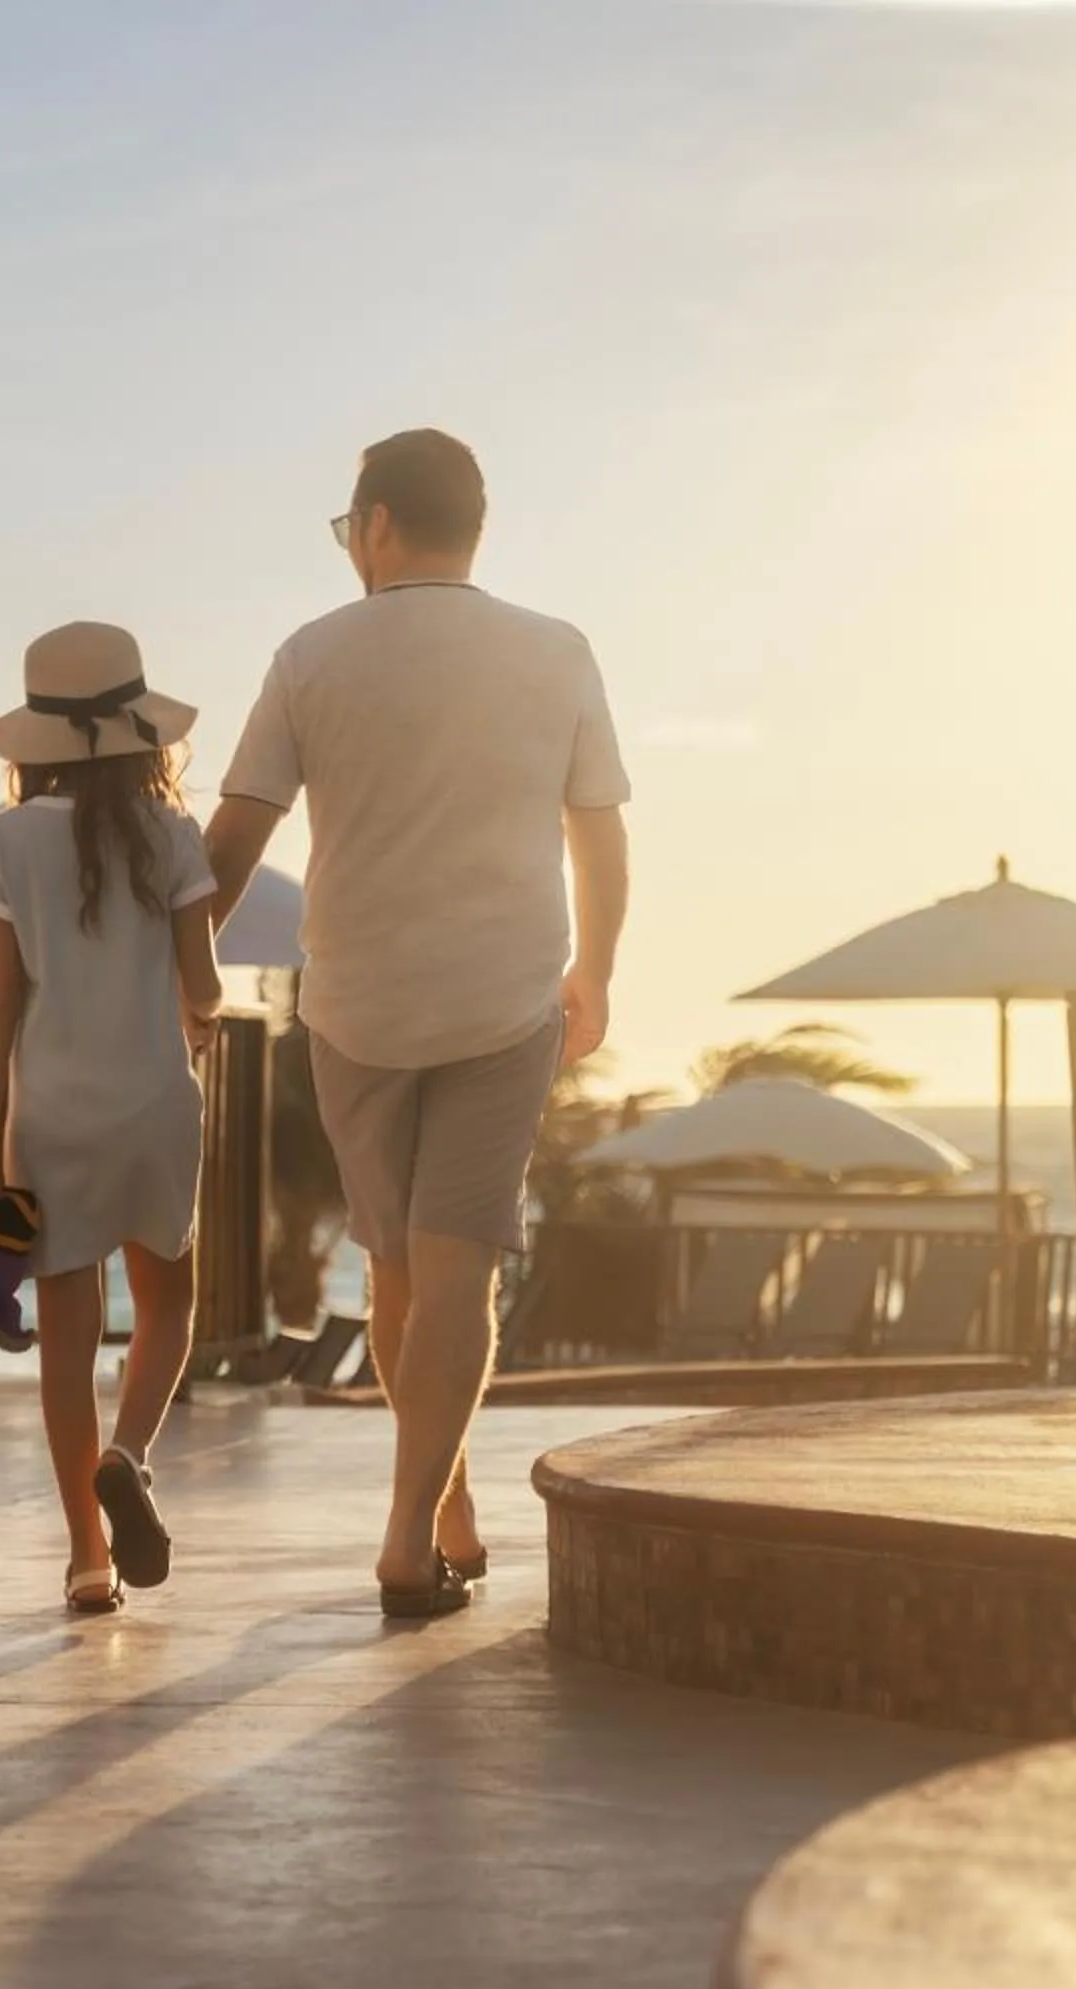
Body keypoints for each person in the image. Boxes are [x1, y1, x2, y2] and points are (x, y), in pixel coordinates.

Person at [203, 431, 632, 1621]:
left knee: (396, 1267)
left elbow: (233, 839)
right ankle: (414, 1526)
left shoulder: (311, 654)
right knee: (456, 1274)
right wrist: (595, 970)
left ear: (379, 523)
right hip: (503, 998)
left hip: (352, 1004)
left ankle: (437, 1510)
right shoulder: (555, 651)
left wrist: (187, 973)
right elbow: (599, 834)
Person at [0, 622, 223, 1615]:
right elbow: (201, 984)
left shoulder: (5, 838)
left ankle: (84, 1555)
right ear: (145, 735)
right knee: (168, 1305)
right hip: (154, 1102)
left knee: (69, 1341)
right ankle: (131, 1454)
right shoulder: (174, 835)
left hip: (51, 1117)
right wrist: (194, 1014)